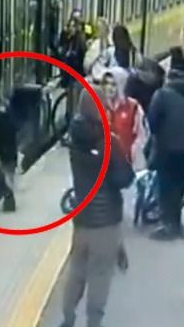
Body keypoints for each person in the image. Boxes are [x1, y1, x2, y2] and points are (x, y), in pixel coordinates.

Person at [60, 89, 135, 327]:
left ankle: (68, 318)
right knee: (100, 276)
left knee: (76, 273)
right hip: (105, 222)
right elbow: (124, 178)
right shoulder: (107, 141)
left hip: (82, 220)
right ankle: (93, 322)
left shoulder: (75, 138)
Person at [146, 69, 184, 241]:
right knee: (179, 186)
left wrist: (155, 137)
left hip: (167, 147)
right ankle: (176, 224)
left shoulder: (161, 95)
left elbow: (152, 121)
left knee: (165, 186)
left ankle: (167, 225)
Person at [101, 68, 148, 168]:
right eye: (106, 83)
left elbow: (141, 136)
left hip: (127, 165)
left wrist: (135, 157)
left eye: (113, 84)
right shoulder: (99, 106)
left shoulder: (133, 107)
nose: (109, 88)